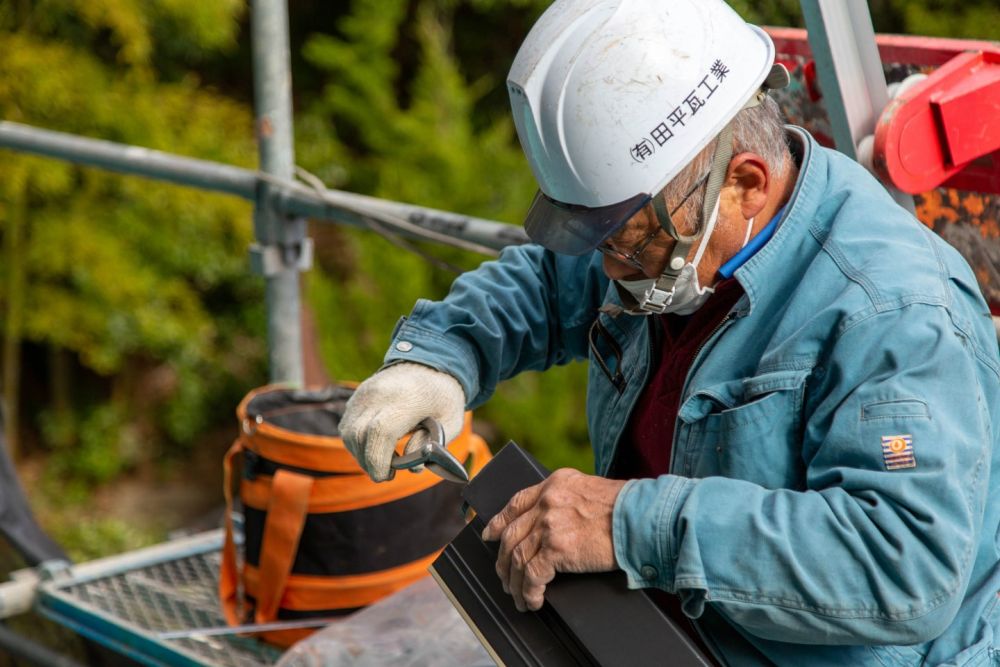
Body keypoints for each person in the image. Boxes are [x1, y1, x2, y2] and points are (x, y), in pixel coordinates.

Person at [339, 0, 1000, 664]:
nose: (604, 268)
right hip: (649, 633)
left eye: (626, 246)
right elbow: (548, 282)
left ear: (744, 183)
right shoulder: (680, 234)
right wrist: (440, 356)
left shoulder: (893, 313)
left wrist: (625, 523)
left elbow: (904, 566)